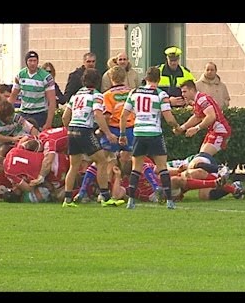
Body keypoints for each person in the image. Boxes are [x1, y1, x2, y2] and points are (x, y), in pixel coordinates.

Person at [119, 66, 182, 210]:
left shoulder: (134, 92)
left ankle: (131, 201)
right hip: (154, 133)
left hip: (139, 133)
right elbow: (168, 117)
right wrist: (177, 127)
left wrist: (122, 135)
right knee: (162, 168)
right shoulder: (160, 94)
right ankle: (169, 202)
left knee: (136, 168)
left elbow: (123, 115)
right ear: (159, 79)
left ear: (145, 78)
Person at [61, 68, 123, 208]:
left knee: (74, 165)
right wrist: (108, 133)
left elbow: (65, 116)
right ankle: (106, 197)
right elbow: (97, 114)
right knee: (102, 161)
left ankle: (67, 199)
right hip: (84, 130)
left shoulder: (76, 95)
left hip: (72, 130)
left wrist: (69, 129)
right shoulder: (96, 95)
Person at [174, 80, 231, 158]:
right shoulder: (198, 100)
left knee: (202, 158)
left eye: (184, 92)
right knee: (201, 157)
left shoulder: (202, 99)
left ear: (192, 90)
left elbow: (211, 116)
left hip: (220, 131)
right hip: (213, 131)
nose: (182, 94)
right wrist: (182, 128)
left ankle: (219, 169)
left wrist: (196, 128)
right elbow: (197, 117)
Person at [8, 50, 56, 130]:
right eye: (30, 61)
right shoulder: (20, 75)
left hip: (39, 113)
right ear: (26, 62)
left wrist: (48, 123)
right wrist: (7, 113)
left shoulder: (46, 77)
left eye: (35, 61)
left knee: (36, 137)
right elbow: (13, 96)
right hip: (24, 112)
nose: (33, 63)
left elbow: (52, 101)